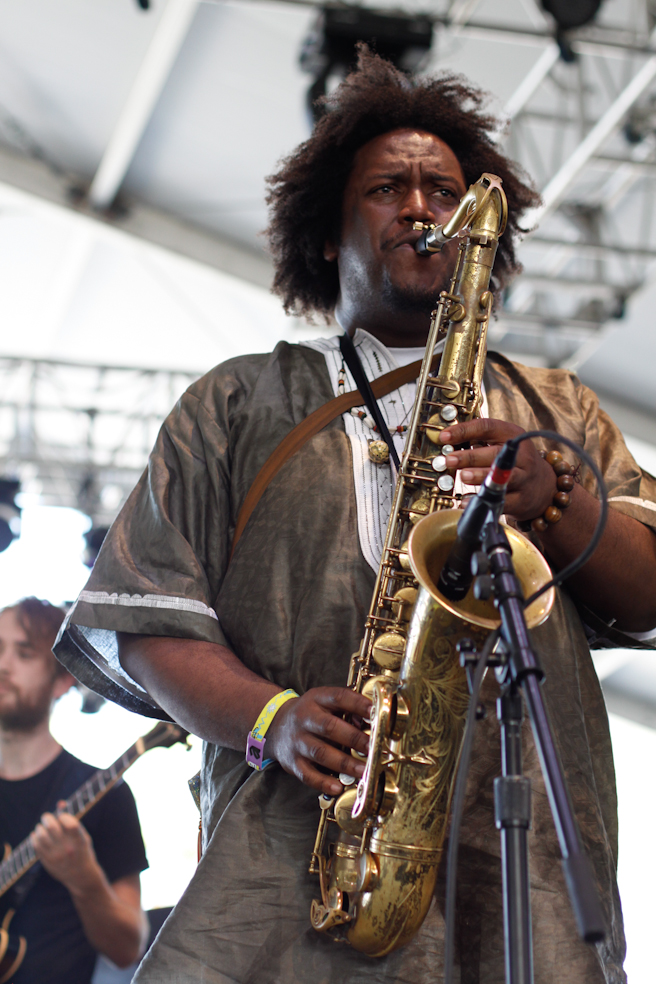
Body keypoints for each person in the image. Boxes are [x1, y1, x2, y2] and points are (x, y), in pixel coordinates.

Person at [54, 50, 656, 984]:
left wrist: (558, 499)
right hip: (294, 857)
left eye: (444, 192)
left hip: (523, 854)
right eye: (387, 189)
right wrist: (273, 717)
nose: (421, 209)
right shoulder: (234, 403)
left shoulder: (559, 407)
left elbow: (650, 590)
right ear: (330, 236)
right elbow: (144, 622)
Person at [0, 597, 149, 984]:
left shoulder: (106, 795)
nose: (3, 665)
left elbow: (128, 949)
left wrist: (85, 879)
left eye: (24, 653)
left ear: (62, 680)